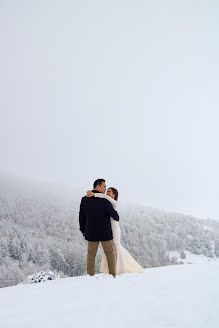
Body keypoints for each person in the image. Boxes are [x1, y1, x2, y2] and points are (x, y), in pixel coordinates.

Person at [86, 187, 144, 275]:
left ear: (114, 195)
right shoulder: (106, 202)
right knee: (111, 248)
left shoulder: (114, 203)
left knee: (116, 247)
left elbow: (104, 197)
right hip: (108, 229)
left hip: (115, 229)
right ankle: (113, 268)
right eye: (107, 191)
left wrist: (94, 194)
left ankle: (120, 268)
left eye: (109, 192)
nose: (107, 193)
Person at [79, 178, 119, 278]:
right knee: (110, 254)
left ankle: (90, 277)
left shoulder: (84, 199)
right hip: (105, 234)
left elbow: (81, 216)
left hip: (91, 233)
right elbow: (115, 216)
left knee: (91, 256)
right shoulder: (105, 200)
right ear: (98, 187)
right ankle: (113, 276)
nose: (105, 189)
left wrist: (83, 230)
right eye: (104, 187)